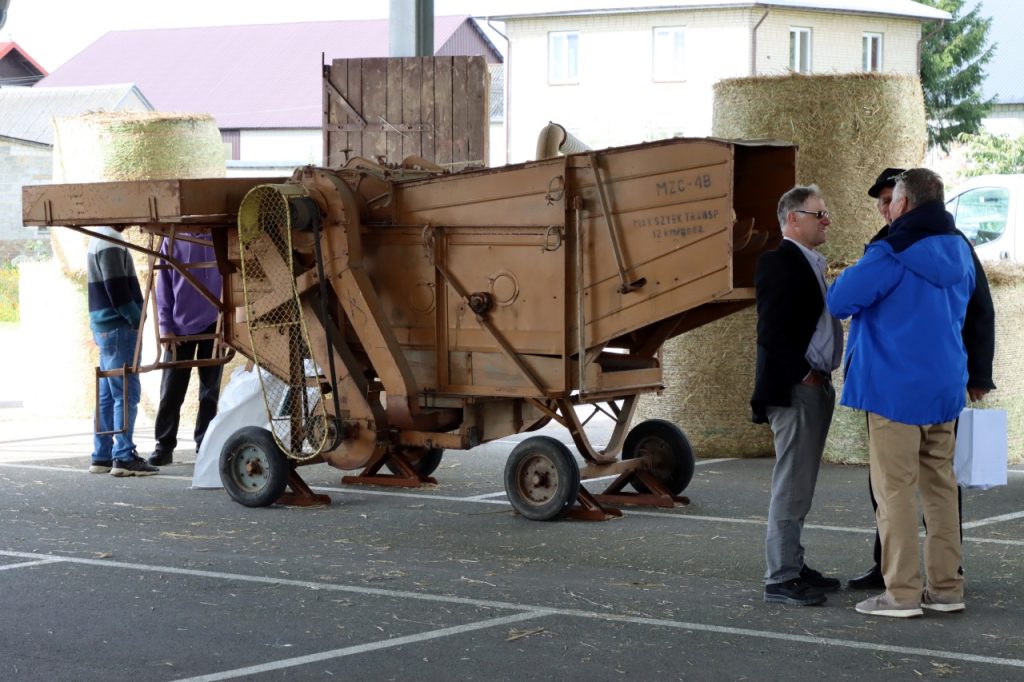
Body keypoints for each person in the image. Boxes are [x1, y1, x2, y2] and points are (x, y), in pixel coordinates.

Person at [828, 168, 973, 618]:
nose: (886, 208)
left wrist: (856, 267)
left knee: (895, 494)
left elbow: (838, 301)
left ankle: (902, 593)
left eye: (891, 201)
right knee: (941, 491)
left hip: (894, 390)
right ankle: (947, 588)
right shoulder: (961, 249)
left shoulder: (890, 252)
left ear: (904, 203)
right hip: (945, 387)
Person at [751, 185, 843, 606]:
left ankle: (792, 562)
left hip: (812, 385)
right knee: (792, 485)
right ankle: (781, 577)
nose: (826, 221)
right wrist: (804, 374)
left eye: (825, 214)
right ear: (792, 219)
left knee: (800, 484)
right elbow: (771, 333)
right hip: (795, 390)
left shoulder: (810, 263)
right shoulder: (778, 263)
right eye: (818, 214)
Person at [87, 226, 158, 476]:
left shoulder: (98, 238)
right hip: (119, 326)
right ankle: (124, 456)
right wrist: (137, 318)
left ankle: (102, 456)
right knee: (126, 393)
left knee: (108, 395)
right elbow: (117, 289)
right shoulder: (110, 239)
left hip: (105, 326)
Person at [148, 234, 224, 466]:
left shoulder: (218, 237)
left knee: (209, 392)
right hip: (179, 327)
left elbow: (232, 281)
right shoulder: (172, 239)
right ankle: (164, 446)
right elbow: (163, 285)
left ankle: (205, 445)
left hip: (215, 323)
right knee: (171, 390)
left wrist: (228, 326)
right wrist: (165, 326)